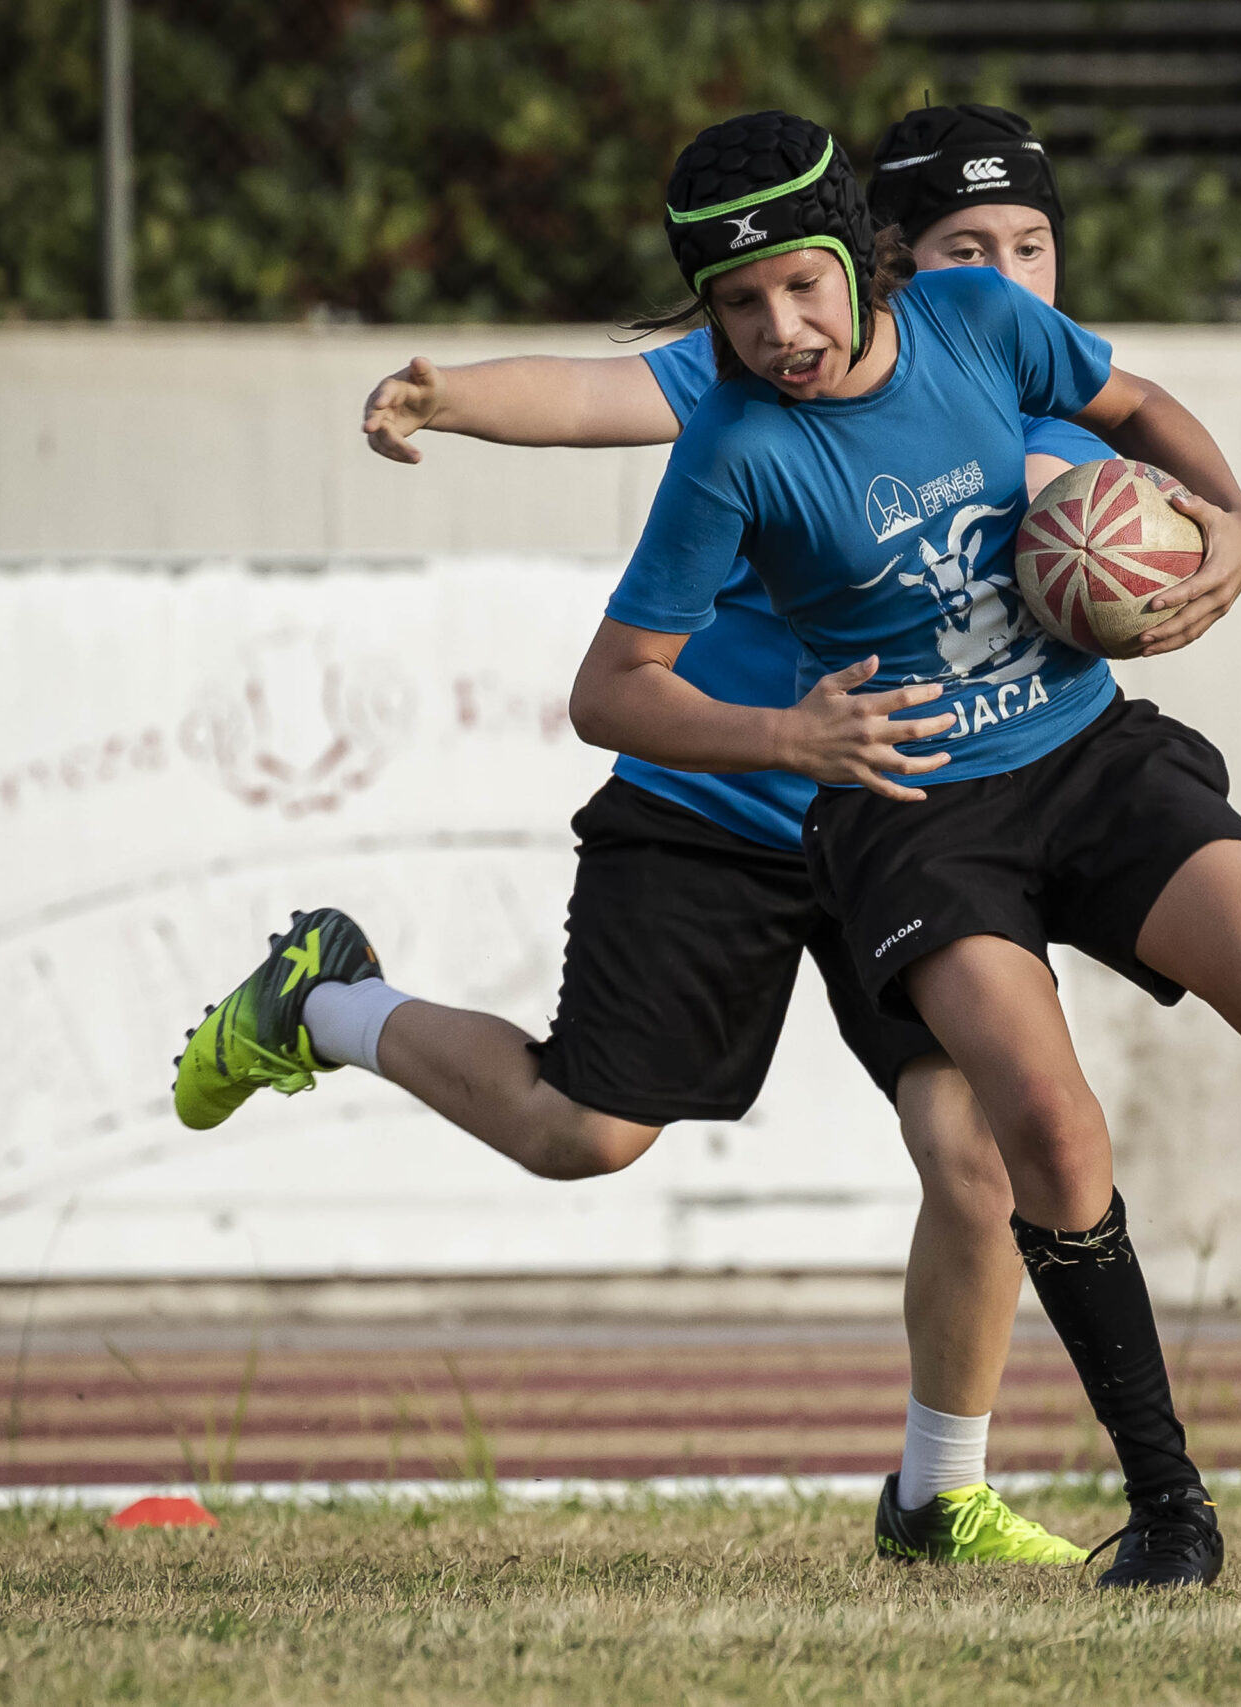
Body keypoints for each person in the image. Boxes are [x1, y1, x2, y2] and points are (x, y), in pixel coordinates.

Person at [175, 108, 1140, 1571]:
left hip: (906, 828)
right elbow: (597, 392)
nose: (1004, 273)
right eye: (967, 251)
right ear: (891, 264)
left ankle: (938, 1493)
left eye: (1029, 247)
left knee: (981, 1156)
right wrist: (445, 395)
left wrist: (1170, 557)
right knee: (584, 1133)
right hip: (722, 810)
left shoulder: (1016, 384)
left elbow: (1099, 546)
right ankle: (328, 996)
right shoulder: (771, 367)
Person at [566, 111, 1241, 1589]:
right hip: (917, 816)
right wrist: (788, 738)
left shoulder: (980, 318)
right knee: (1045, 1139)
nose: (778, 329)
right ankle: (1170, 1501)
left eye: (801, 287)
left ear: (862, 258)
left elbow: (1144, 407)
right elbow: (612, 689)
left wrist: (1238, 527)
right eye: (737, 306)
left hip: (1088, 752)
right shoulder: (732, 453)